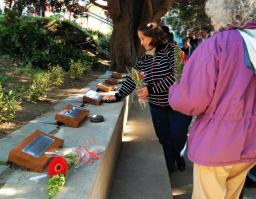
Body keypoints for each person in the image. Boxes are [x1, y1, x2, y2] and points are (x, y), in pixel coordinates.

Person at [168, 0, 256, 198]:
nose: (213, 21)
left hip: (217, 144)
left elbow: (191, 100)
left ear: (221, 14)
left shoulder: (217, 44)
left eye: (212, 16)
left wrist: (174, 91)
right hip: (250, 144)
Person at [103, 22, 192, 176]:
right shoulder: (144, 58)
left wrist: (151, 89)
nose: (141, 42)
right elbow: (134, 78)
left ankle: (178, 155)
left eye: (143, 38)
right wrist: (118, 95)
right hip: (157, 107)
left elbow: (179, 76)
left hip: (179, 107)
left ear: (154, 37)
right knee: (164, 139)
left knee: (178, 138)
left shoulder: (174, 51)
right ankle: (170, 166)